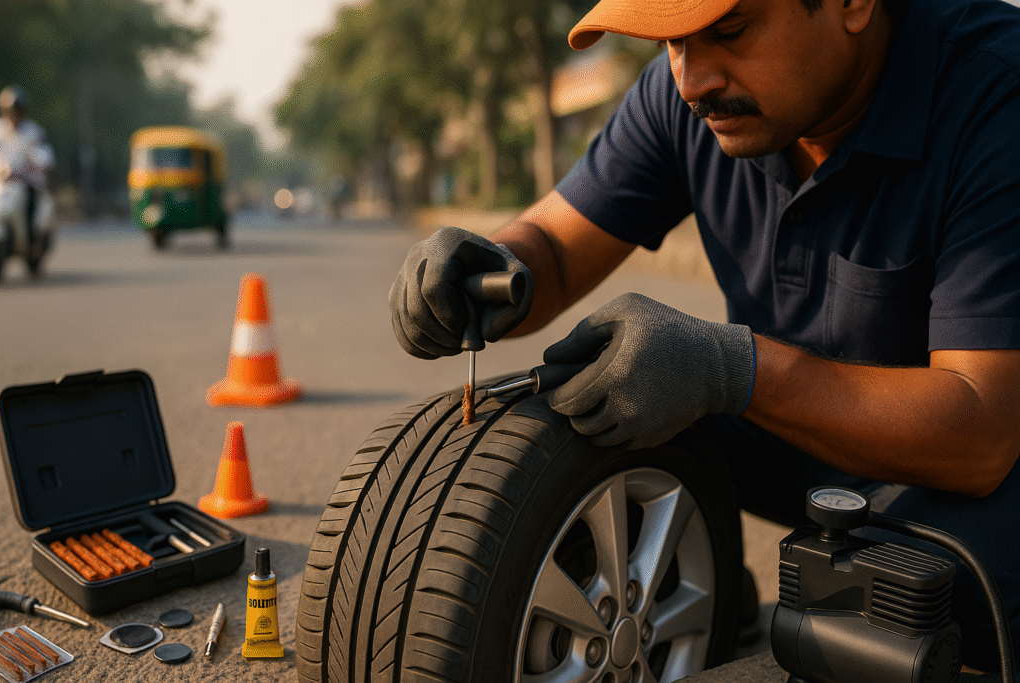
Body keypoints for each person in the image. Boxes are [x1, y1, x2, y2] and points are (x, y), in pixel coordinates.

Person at [389, 0, 1020, 671]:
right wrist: (491, 267)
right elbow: (554, 247)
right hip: (801, 427)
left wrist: (729, 368)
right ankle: (712, 603)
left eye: (730, 30)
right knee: (588, 407)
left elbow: (981, 436)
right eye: (672, 43)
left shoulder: (994, 93)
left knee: (895, 603)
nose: (693, 82)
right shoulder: (695, 97)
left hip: (974, 463)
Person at [0, 86, 55, 237]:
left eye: (17, 111)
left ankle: (32, 236)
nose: (14, 115)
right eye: (11, 111)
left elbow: (45, 157)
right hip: (1, 183)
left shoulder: (33, 131)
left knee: (37, 215)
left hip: (26, 184)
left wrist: (35, 161)